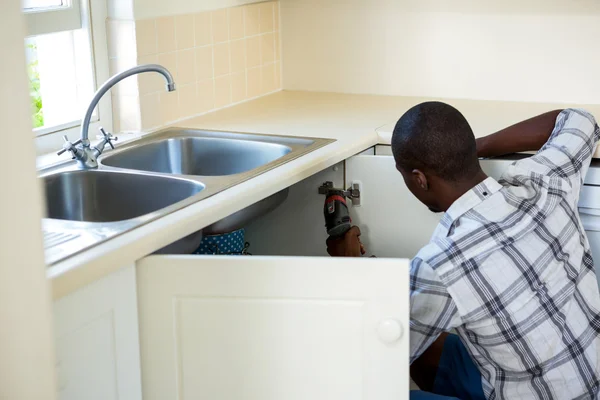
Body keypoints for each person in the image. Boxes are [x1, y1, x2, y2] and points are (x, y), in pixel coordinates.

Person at [327, 102, 600, 399]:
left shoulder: (441, 265)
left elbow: (364, 357)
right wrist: (467, 148)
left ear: (419, 179)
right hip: (586, 388)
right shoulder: (545, 184)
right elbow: (578, 119)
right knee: (422, 335)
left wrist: (350, 268)